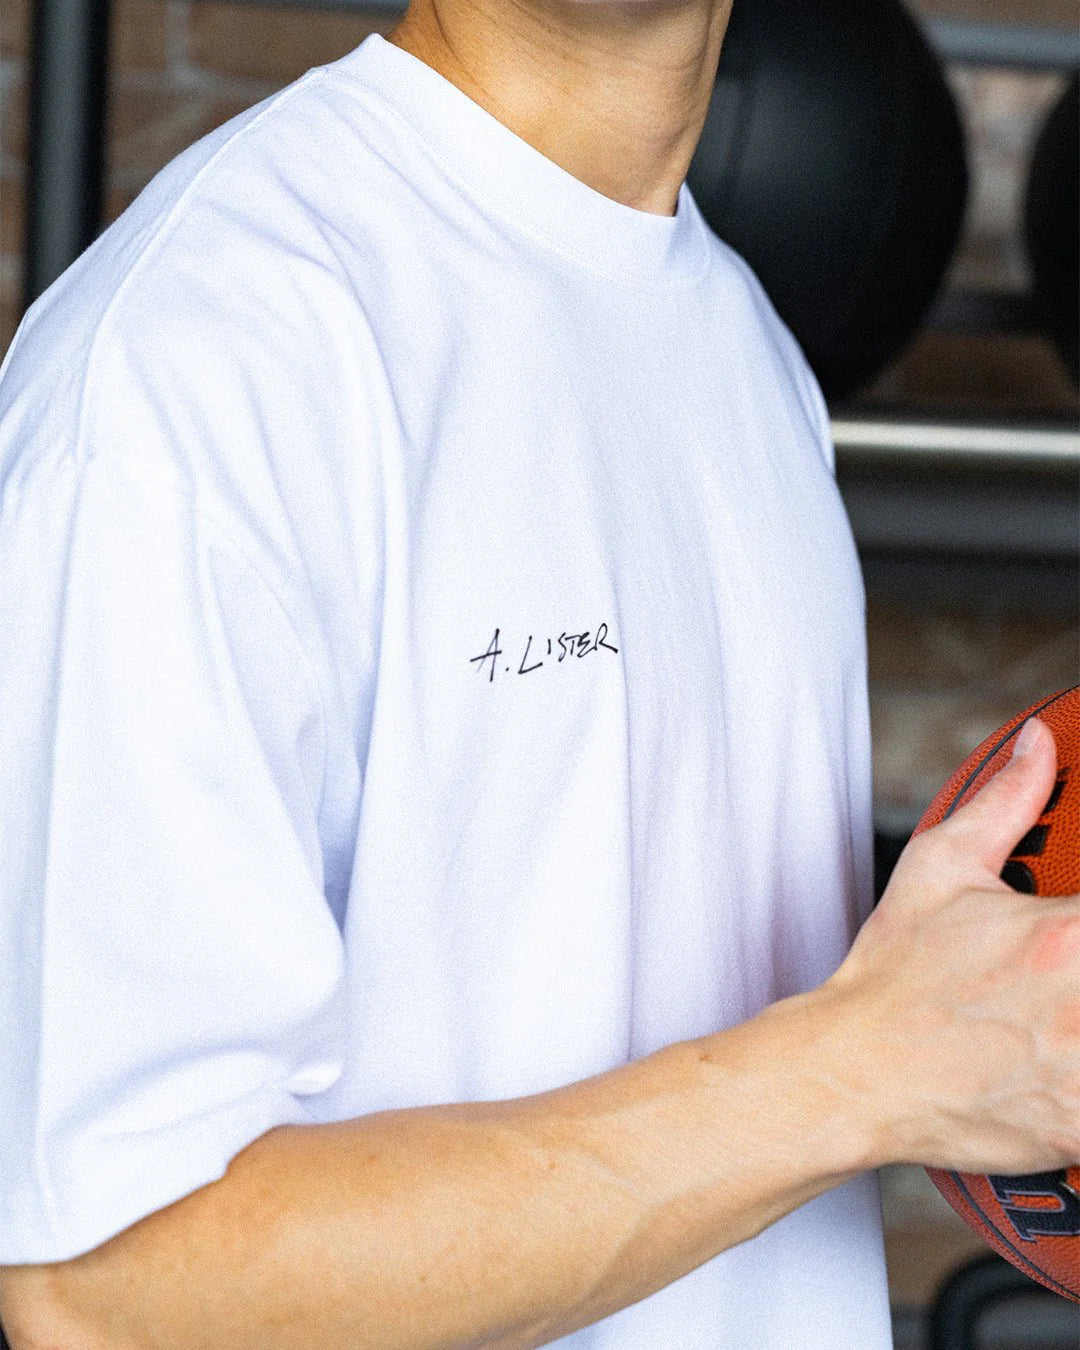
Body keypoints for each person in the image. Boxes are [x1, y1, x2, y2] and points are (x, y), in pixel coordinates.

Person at [0, 0, 1076, 1345]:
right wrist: (876, 1065)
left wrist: (978, 1033)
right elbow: (108, 1293)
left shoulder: (753, 361)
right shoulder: (199, 358)